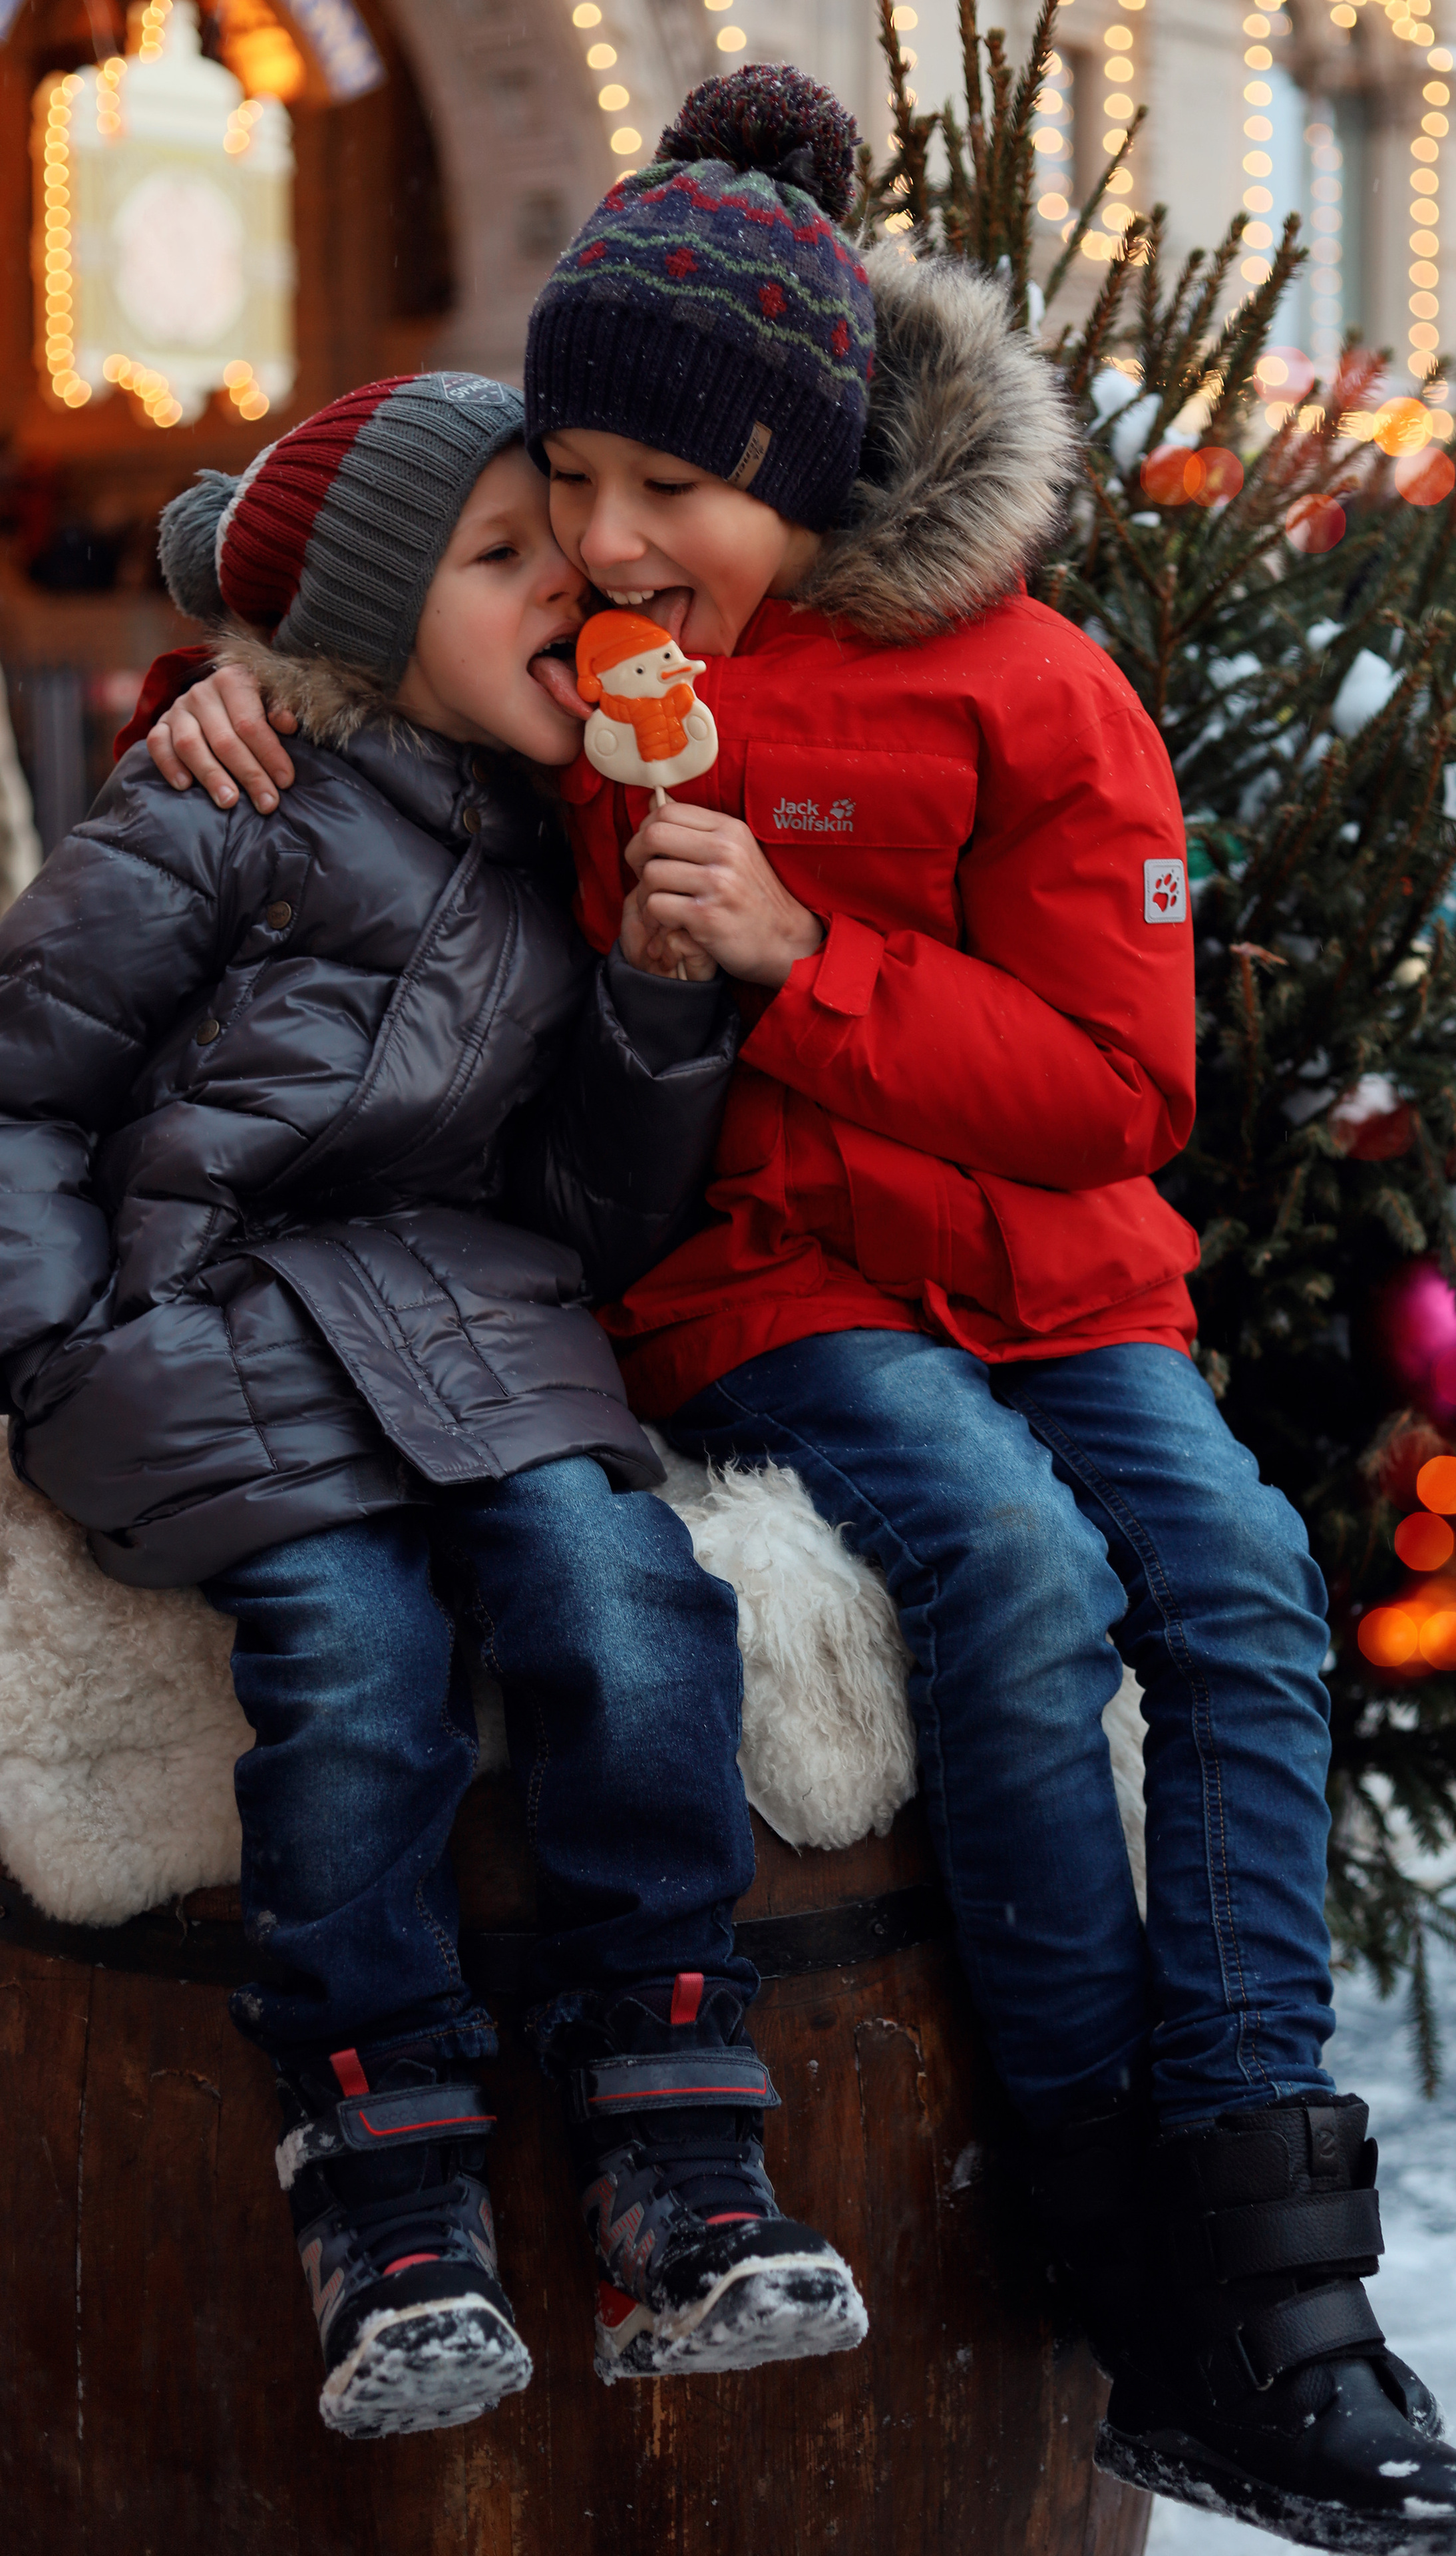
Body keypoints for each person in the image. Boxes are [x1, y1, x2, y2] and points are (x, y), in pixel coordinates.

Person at [140, 70, 1456, 2551]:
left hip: (1060, 1281)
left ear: (804, 473)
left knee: (1237, 1586)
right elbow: (344, 569)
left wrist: (807, 956)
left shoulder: (1037, 690)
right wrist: (220, 673)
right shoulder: (597, 662)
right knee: (1008, 1566)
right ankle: (1109, 2234)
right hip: (772, 1285)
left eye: (667, 490)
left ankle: (1276, 2256)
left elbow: (1121, 1089)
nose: (603, 538)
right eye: (576, 479)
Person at [1, 370, 866, 2445]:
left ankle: (678, 2148)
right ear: (380, 625)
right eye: (503, 560)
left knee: (629, 1606)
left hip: (484, 1327)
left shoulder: (569, 839)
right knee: (356, 1666)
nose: (571, 584)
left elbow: (586, 1209)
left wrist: (658, 1002)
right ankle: (384, 2193)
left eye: (558, 552)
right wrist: (59, 1356)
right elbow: (21, 1091)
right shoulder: (227, 799)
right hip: (222, 1325)